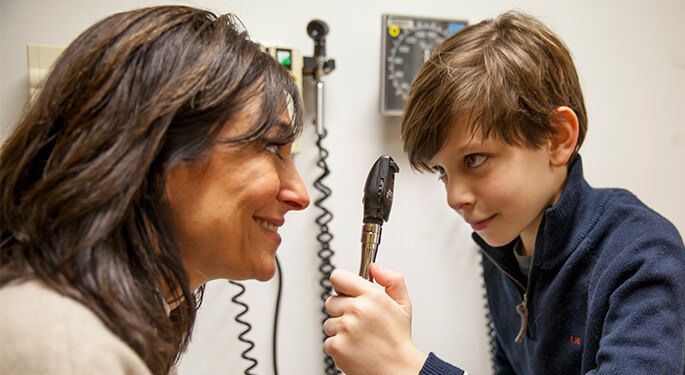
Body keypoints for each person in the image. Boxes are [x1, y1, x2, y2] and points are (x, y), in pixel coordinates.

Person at [323, 10, 685, 375]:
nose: (454, 197)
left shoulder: (642, 255)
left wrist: (407, 366)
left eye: (475, 159)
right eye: (441, 172)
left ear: (557, 138)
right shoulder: (502, 249)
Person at [0, 6, 309, 375]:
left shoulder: (119, 332)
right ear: (156, 155)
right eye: (272, 147)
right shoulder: (62, 352)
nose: (299, 194)